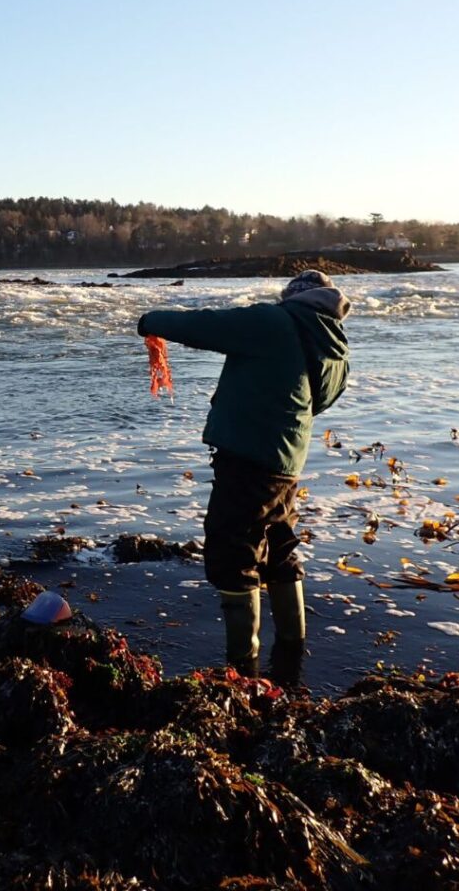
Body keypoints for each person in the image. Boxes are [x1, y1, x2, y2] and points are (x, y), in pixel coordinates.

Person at [137, 269, 351, 679]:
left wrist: (152, 321)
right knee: (280, 545)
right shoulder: (335, 342)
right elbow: (316, 403)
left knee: (233, 549)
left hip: (248, 459)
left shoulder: (274, 321)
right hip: (286, 461)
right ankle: (291, 652)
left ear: (293, 297)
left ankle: (241, 667)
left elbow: (209, 325)